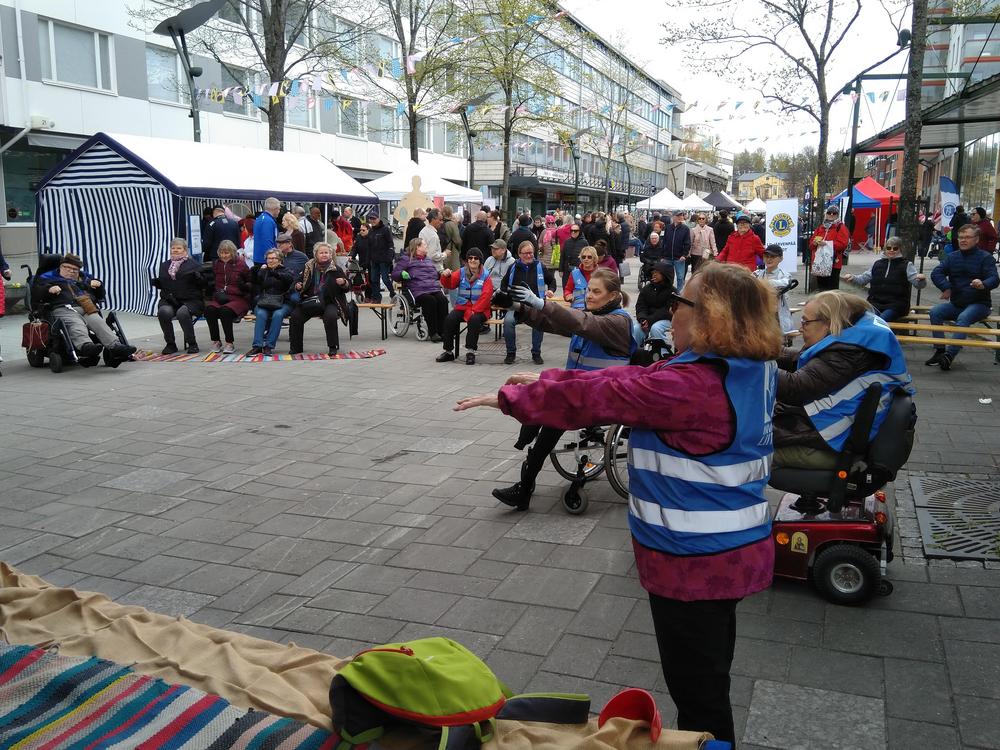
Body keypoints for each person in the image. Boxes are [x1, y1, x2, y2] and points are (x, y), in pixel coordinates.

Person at [455, 263, 781, 745]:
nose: (672, 313)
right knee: (710, 678)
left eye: (681, 304)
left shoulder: (689, 386)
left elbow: (612, 394)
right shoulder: (748, 366)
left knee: (699, 697)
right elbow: (632, 377)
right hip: (733, 551)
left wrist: (513, 398)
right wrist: (547, 378)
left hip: (692, 562)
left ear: (710, 317)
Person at [484, 268, 638, 511]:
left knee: (552, 413)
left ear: (613, 296)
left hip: (603, 399)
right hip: (578, 394)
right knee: (544, 401)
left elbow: (581, 322)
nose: (589, 295)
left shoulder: (618, 322)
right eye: (588, 290)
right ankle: (527, 473)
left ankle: (524, 487)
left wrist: (542, 303)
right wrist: (518, 307)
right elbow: (553, 322)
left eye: (596, 291)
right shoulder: (594, 315)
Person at [774, 291, 912, 470]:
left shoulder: (847, 355)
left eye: (805, 322)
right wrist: (759, 351)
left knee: (751, 453)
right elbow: (802, 360)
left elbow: (797, 387)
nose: (801, 328)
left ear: (829, 323)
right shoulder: (855, 336)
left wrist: (753, 369)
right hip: (842, 435)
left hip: (835, 442)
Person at [32, 253, 135, 362]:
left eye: (75, 269)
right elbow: (36, 294)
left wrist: (98, 286)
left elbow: (100, 295)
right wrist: (48, 290)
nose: (71, 271)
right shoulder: (46, 278)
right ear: (61, 267)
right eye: (68, 268)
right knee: (76, 323)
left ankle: (115, 346)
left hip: (87, 307)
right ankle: (86, 346)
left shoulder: (85, 278)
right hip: (63, 308)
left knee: (98, 322)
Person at [926, 223, 999, 371]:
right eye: (960, 237)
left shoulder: (986, 258)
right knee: (935, 312)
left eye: (967, 237)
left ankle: (949, 356)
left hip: (979, 304)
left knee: (963, 318)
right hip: (957, 303)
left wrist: (983, 283)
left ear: (977, 239)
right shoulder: (952, 257)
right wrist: (946, 287)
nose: (963, 240)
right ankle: (940, 351)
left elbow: (994, 278)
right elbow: (936, 273)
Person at [843, 236, 927, 322]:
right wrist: (853, 278)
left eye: (895, 248)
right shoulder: (877, 264)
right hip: (875, 302)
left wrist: (921, 280)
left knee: (880, 321)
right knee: (863, 319)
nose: (891, 250)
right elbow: (863, 279)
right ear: (885, 248)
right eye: (889, 248)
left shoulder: (907, 265)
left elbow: (919, 285)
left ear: (900, 249)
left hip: (896, 304)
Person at [500, 240, 557, 364]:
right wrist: (506, 296)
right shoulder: (513, 267)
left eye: (531, 253)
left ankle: (536, 353)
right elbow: (504, 285)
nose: (529, 255)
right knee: (508, 322)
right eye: (525, 253)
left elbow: (552, 281)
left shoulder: (540, 266)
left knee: (539, 322)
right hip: (516, 306)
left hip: (535, 305)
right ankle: (511, 353)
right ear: (519, 254)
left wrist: (551, 290)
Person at [288, 243, 350, 356]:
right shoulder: (308, 267)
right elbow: (296, 282)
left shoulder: (336, 269)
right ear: (316, 254)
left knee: (330, 316)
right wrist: (298, 285)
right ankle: (296, 347)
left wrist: (343, 283)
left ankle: (333, 347)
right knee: (295, 316)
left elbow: (347, 287)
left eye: (326, 252)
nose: (324, 255)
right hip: (310, 301)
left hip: (329, 302)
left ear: (331, 255)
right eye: (321, 253)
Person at [437, 248, 494, 365]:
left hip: (480, 309)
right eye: (470, 258)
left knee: (474, 320)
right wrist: (446, 276)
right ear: (467, 260)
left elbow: (486, 296)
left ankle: (471, 351)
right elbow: (450, 285)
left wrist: (475, 310)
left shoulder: (486, 276)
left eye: (476, 258)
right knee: (449, 319)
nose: (473, 260)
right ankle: (448, 351)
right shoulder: (461, 272)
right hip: (462, 307)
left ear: (480, 261)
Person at [153, 238, 206, 354]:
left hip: (191, 300)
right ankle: (170, 344)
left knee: (182, 312)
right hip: (170, 300)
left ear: (185, 250)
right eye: (173, 248)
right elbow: (164, 286)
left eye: (178, 248)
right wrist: (158, 284)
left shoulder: (193, 265)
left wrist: (199, 278)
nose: (175, 250)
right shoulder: (164, 265)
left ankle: (192, 343)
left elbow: (203, 285)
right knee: (163, 312)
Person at [392, 238, 449, 342]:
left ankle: (443, 332)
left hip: (432, 287)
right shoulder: (406, 259)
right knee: (430, 300)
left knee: (442, 300)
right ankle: (433, 333)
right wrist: (401, 274)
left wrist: (442, 274)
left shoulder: (428, 260)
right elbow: (395, 274)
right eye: (424, 244)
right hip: (417, 290)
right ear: (417, 247)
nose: (426, 246)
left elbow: (435, 274)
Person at [203, 240, 251, 354]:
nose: (224, 255)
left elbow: (250, 281)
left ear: (233, 253)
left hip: (237, 297)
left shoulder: (241, 264)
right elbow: (212, 281)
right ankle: (216, 341)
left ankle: (229, 343)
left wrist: (244, 286)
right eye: (222, 253)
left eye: (227, 253)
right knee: (209, 310)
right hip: (221, 296)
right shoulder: (217, 264)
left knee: (225, 311)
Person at [247, 248, 295, 355]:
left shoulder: (287, 270)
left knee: (278, 315)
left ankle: (269, 345)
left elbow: (288, 279)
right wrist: (255, 272)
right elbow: (255, 283)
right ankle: (257, 346)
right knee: (260, 314)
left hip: (283, 302)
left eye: (274, 258)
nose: (271, 261)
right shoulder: (263, 271)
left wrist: (274, 273)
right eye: (269, 258)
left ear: (280, 260)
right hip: (265, 301)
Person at [754, 245, 794, 333]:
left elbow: (787, 282)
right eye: (766, 256)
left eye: (772, 257)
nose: (769, 259)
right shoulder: (757, 273)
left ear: (781, 258)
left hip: (776, 313)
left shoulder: (785, 275)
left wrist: (765, 283)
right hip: (760, 312)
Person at [634, 260, 676, 346]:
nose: (654, 275)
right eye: (653, 272)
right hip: (647, 318)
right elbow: (640, 306)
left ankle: (662, 352)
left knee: (656, 328)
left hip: (666, 319)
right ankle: (635, 352)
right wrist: (642, 319)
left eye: (658, 273)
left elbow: (667, 311)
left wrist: (650, 320)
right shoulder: (646, 289)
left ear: (665, 275)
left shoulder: (672, 291)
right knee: (636, 329)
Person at [809, 206, 850, 290]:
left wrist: (827, 244)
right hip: (820, 262)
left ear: (837, 215)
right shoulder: (820, 228)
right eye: (829, 212)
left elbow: (843, 245)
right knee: (821, 288)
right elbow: (810, 245)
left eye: (834, 213)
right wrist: (814, 243)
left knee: (832, 289)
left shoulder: (841, 228)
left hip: (833, 263)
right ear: (826, 214)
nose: (831, 215)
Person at [366, 212, 396, 304]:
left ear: (378, 219)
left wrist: (390, 256)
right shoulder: (370, 231)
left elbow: (390, 243)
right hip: (374, 260)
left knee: (385, 278)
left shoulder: (385, 229)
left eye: (374, 219)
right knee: (374, 279)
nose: (372, 220)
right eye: (371, 219)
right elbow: (369, 246)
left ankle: (392, 294)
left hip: (384, 259)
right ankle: (377, 298)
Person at [660, 210, 692, 291]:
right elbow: (664, 241)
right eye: (678, 216)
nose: (680, 217)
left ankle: (679, 293)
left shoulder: (685, 229)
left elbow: (687, 243)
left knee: (680, 277)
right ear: (673, 217)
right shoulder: (668, 227)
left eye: (681, 216)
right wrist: (662, 255)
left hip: (679, 257)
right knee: (666, 276)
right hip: (667, 257)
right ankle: (667, 291)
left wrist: (684, 255)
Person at [558, 224, 589, 288]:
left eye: (575, 231)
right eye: (571, 230)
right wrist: (560, 270)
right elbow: (562, 256)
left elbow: (588, 256)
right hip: (567, 270)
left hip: (579, 270)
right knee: (566, 288)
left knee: (578, 289)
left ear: (579, 231)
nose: (573, 232)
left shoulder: (584, 242)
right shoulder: (567, 241)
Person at [252, 198, 280, 266]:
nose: (279, 211)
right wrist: (272, 259)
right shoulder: (268, 221)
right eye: (279, 209)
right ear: (275, 208)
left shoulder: (260, 218)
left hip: (260, 258)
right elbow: (268, 241)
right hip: (265, 261)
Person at [441, 205, 463, 271]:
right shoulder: (452, 224)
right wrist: (459, 249)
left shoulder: (440, 223)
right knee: (453, 272)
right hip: (451, 250)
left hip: (442, 249)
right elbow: (457, 240)